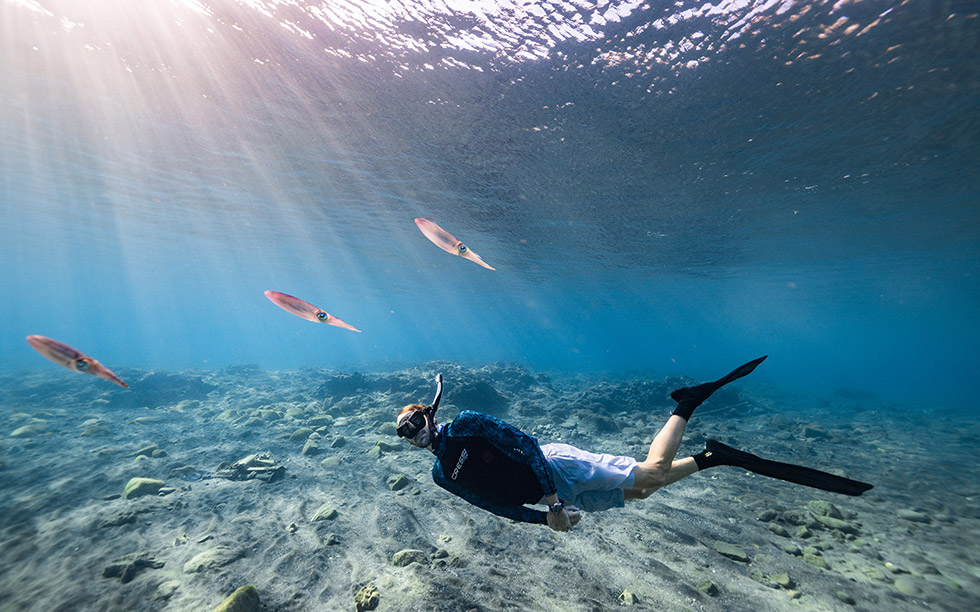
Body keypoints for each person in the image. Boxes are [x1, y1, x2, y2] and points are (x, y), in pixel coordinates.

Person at [395, 357, 872, 532]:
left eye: (413, 422)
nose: (412, 435)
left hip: (557, 471)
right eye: (403, 434)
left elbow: (525, 444)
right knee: (645, 489)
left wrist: (555, 497)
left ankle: (685, 404)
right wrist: (545, 517)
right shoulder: (440, 475)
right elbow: (492, 505)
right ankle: (713, 457)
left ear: (427, 413)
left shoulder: (468, 424)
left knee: (651, 472)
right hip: (552, 498)